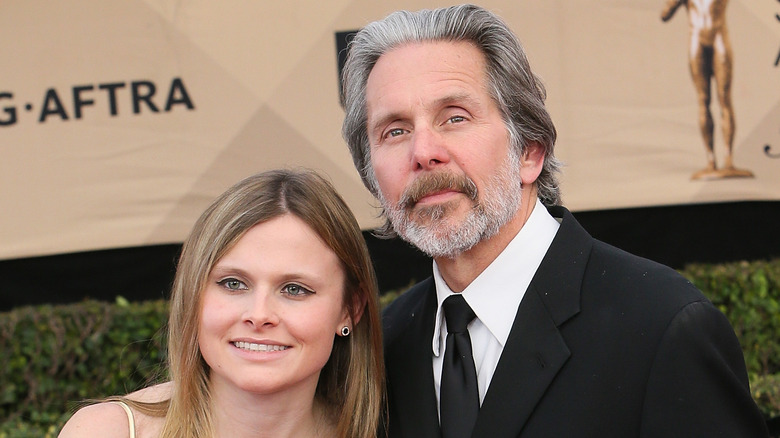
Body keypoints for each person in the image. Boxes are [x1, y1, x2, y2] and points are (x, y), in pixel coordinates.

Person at [341, 4, 768, 437]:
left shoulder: (663, 328)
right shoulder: (380, 349)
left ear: (531, 152)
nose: (423, 151)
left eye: (455, 117)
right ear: (371, 174)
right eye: (394, 130)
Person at [58, 168, 385, 438]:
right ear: (193, 295)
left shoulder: (386, 430)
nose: (259, 315)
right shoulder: (107, 432)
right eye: (233, 284)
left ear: (350, 309)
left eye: (294, 289)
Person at [660, 0, 753, 179]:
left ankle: (728, 159)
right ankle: (711, 161)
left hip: (719, 37)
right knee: (703, 101)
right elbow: (664, 15)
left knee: (724, 99)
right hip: (697, 40)